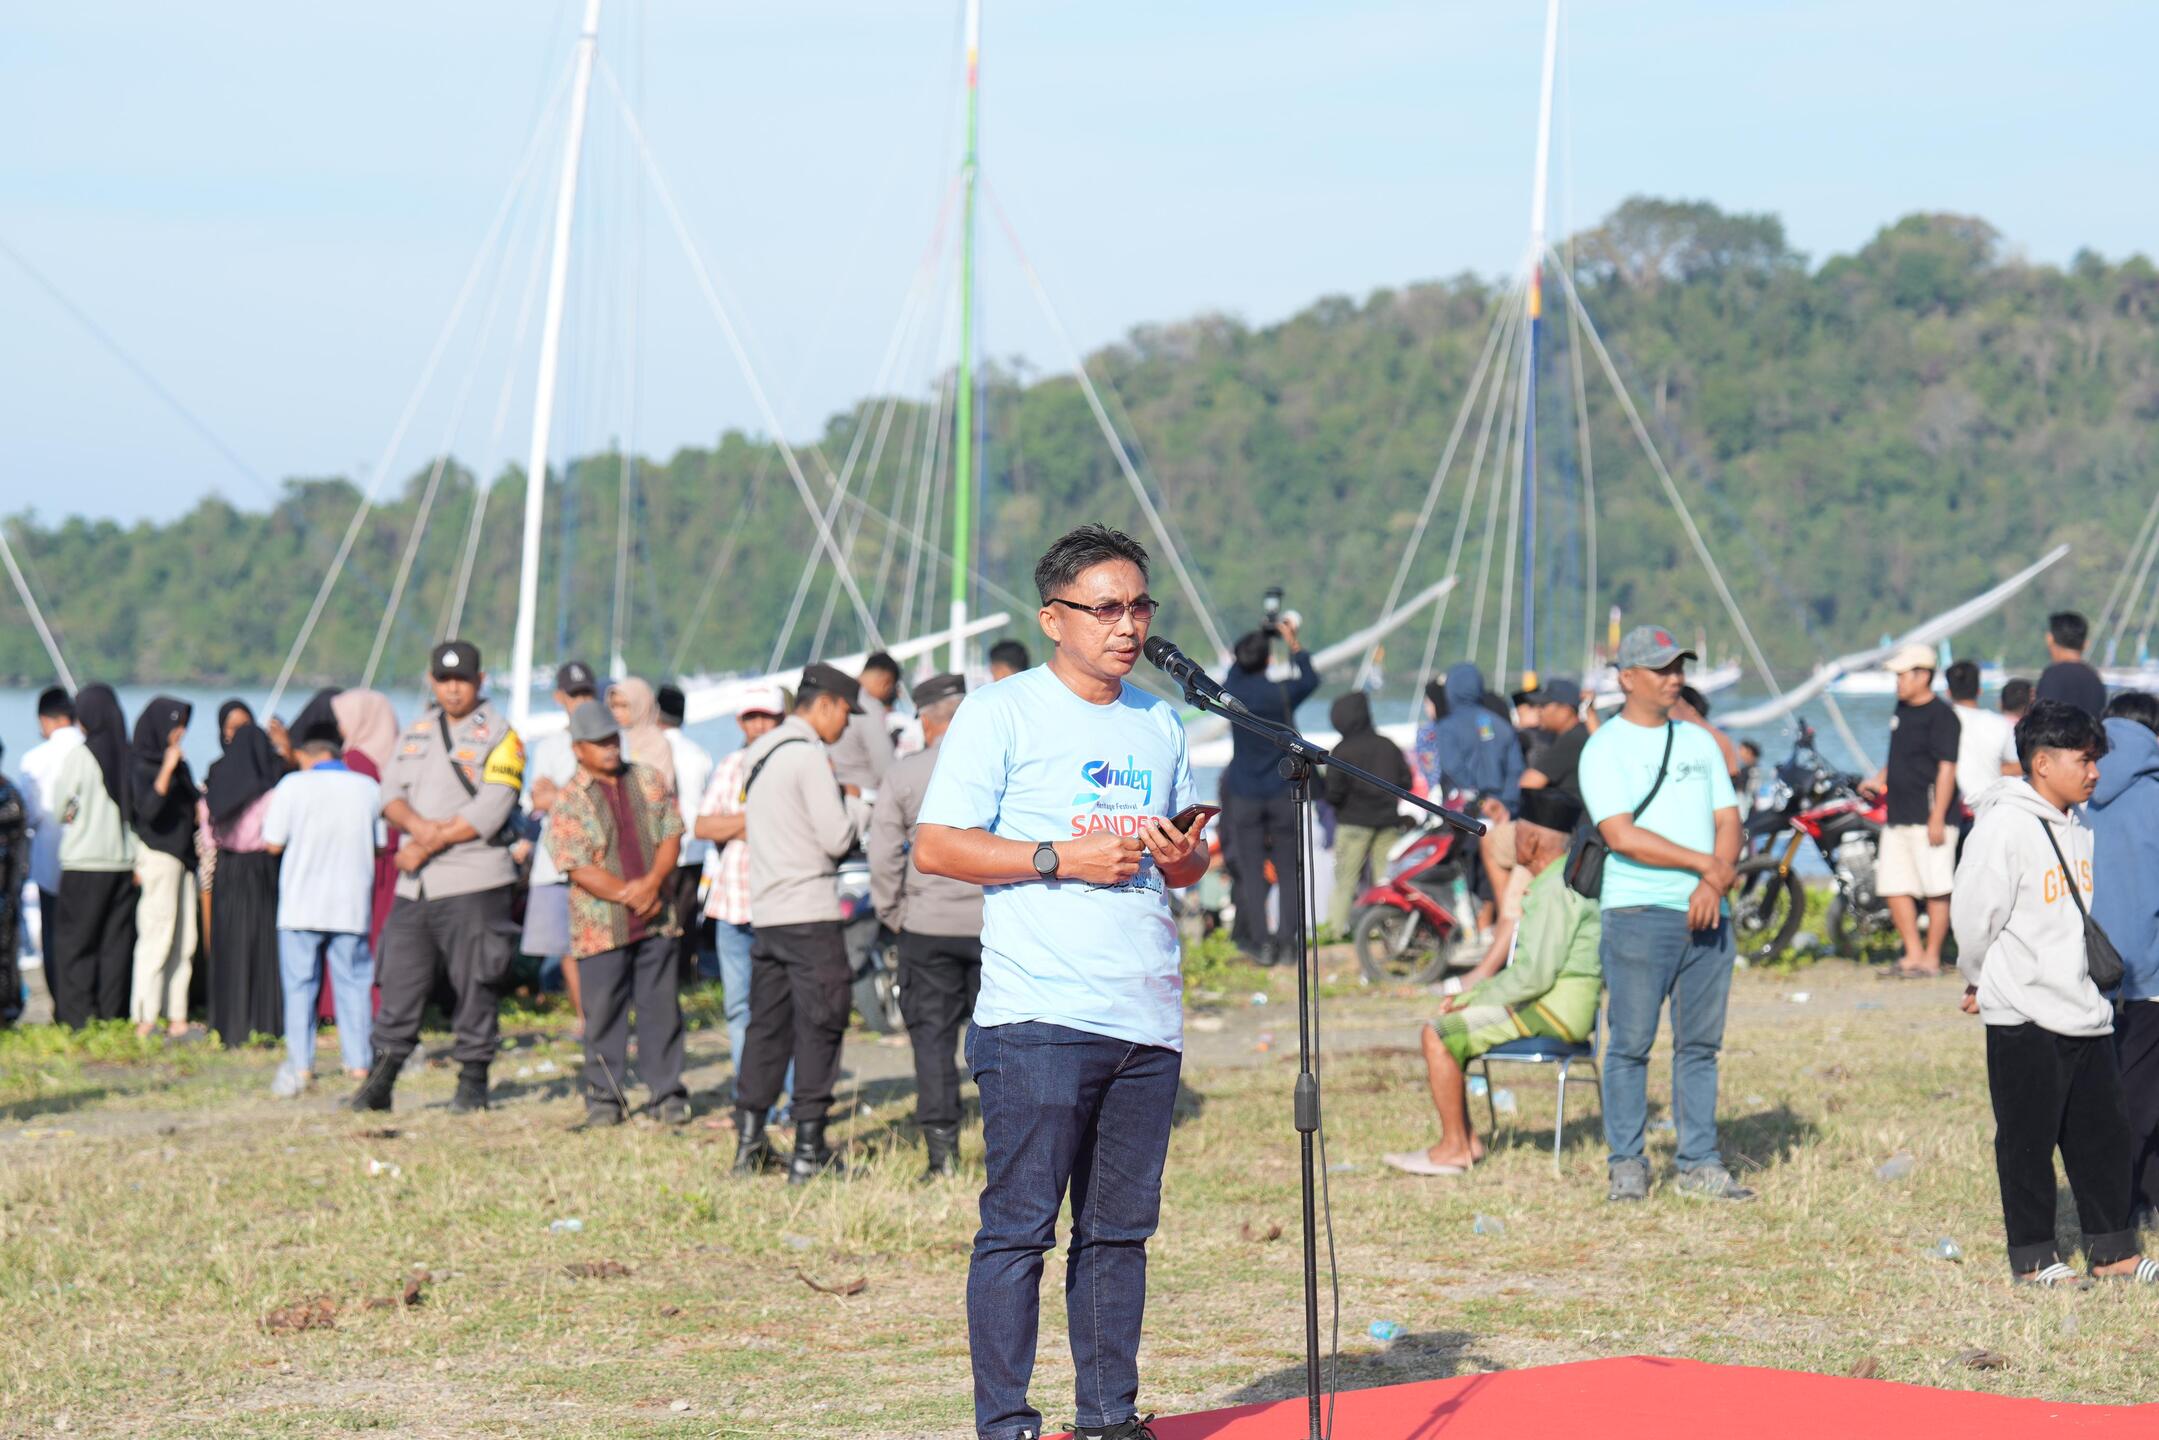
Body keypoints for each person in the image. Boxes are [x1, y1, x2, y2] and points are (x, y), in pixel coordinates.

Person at [913, 523, 1210, 1440]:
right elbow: (937, 845)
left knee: (1119, 1236)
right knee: (1018, 1232)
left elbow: (1186, 872)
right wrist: (1059, 857)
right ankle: (1006, 1423)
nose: (1127, 626)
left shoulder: (1160, 720)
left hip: (1145, 1012)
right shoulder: (1001, 711)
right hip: (1038, 1015)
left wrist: (1186, 855)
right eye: (1106, 608)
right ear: (1054, 618)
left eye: (1139, 607)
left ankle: (1109, 1417)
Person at [1954, 700, 2158, 1286]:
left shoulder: (2077, 823)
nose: (2095, 771)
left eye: (2097, 759)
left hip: (2085, 1007)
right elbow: (1974, 919)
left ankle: (2114, 1250)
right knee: (2026, 1141)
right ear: (2042, 763)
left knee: (2104, 1138)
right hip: (2023, 1011)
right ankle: (2035, 1256)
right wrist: (1979, 975)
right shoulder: (2003, 826)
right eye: (2084, 760)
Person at [1579, 625, 1748, 1203]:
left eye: (1679, 667)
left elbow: (1730, 818)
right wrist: (1709, 867)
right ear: (1627, 678)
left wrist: (1713, 880)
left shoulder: (1699, 742)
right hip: (1638, 912)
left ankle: (1699, 1160)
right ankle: (1627, 1162)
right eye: (1661, 669)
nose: (1674, 677)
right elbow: (1622, 836)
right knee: (1630, 1044)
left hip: (1708, 912)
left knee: (1700, 1045)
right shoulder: (1604, 748)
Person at [1383, 789, 1600, 1175]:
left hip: (1552, 1011)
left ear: (1532, 842)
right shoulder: (1559, 878)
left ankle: (1455, 1148)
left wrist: (1472, 998)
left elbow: (1534, 976)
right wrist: (1479, 996)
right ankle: (1464, 1141)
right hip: (1553, 1004)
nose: (1509, 840)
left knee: (1437, 1033)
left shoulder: (1553, 889)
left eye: (1516, 832)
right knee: (1447, 1030)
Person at [350, 640, 524, 1115]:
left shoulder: (502, 735)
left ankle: (472, 1083)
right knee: (398, 980)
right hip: (417, 884)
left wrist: (425, 842)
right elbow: (389, 793)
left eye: (462, 680)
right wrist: (419, 829)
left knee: (476, 984)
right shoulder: (418, 730)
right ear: (431, 681)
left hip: (474, 879)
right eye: (444, 679)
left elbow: (490, 811)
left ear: (480, 681)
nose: (452, 688)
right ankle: (379, 1083)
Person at [729, 662, 874, 1181]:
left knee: (766, 1028)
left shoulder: (759, 752)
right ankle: (809, 1152)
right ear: (828, 704)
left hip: (767, 913)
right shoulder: (810, 757)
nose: (846, 726)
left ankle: (749, 1143)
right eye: (846, 715)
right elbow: (836, 838)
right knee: (821, 1026)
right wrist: (859, 807)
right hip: (810, 913)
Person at [546, 699, 689, 1128]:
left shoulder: (647, 779)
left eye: (613, 739)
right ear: (578, 749)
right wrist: (630, 893)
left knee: (660, 1008)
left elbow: (671, 834)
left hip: (656, 916)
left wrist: (652, 883)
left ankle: (667, 1092)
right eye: (599, 742)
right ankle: (605, 1098)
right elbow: (576, 865)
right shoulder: (570, 799)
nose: (610, 748)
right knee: (604, 1013)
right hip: (601, 925)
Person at [869, 672, 984, 1179]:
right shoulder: (996, 768)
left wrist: (893, 913)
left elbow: (882, 857)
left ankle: (942, 1155)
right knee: (1007, 1040)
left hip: (927, 924)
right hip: (994, 924)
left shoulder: (905, 774)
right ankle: (1010, 1146)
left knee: (932, 1041)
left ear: (924, 719)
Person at [261, 733, 380, 1097]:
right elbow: (379, 841)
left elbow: (272, 842)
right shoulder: (368, 787)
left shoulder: (293, 785)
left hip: (301, 903)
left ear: (302, 754)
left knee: (299, 986)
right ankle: (359, 1062)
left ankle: (301, 1065)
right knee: (354, 984)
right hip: (350, 902)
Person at [2089, 692, 2159, 1220]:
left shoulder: (2072, 794)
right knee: (2142, 1094)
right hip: (2148, 971)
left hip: (2083, 967)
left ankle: (2138, 1198)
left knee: (2108, 1089)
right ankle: (2120, 1207)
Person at [696, 687, 786, 1089]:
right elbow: (701, 825)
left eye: (765, 716)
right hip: (730, 902)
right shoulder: (731, 764)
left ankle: (786, 1097)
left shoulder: (794, 761)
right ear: (740, 722)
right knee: (738, 1007)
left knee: (782, 1006)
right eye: (751, 717)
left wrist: (733, 822)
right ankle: (749, 1091)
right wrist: (754, 821)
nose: (758, 725)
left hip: (778, 903)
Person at [1219, 617, 1319, 965]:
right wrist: (1292, 642)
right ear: (1267, 660)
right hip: (1280, 790)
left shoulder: (1232, 692)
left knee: (1251, 869)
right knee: (1289, 868)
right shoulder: (1280, 694)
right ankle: (1288, 943)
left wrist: (1260, 635)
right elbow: (1310, 679)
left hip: (1244, 792)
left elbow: (1238, 663)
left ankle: (1261, 944)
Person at [1860, 643, 1962, 978]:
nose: (1898, 683)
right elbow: (1899, 758)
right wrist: (1879, 779)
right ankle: (1913, 953)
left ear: (1923, 675)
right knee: (1894, 884)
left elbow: (1947, 767)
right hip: (1898, 813)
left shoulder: (1943, 715)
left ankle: (1932, 956)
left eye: (1903, 676)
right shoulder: (1901, 710)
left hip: (1932, 815)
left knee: (1935, 887)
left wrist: (1938, 816)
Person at [47, 685, 136, 1025]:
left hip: (84, 861)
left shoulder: (81, 756)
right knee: (115, 944)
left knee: (75, 944)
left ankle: (77, 1017)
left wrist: (73, 814)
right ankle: (111, 1013)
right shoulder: (127, 754)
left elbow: (60, 808)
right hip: (123, 862)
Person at [201, 704, 287, 1050]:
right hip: (261, 869)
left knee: (229, 944)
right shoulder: (270, 790)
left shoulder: (217, 784)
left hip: (228, 868)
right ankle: (264, 1021)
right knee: (263, 944)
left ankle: (228, 1024)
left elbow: (207, 838)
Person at [523, 661, 599, 1031]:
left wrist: (560, 796)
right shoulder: (551, 745)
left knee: (598, 945)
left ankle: (602, 1019)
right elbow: (537, 799)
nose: (581, 702)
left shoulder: (609, 740)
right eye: (574, 695)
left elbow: (601, 802)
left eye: (586, 694)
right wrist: (570, 796)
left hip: (597, 861)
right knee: (569, 946)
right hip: (557, 861)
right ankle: (586, 1018)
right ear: (559, 698)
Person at [126, 697, 201, 1041]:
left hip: (184, 857)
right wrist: (167, 768)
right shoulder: (141, 763)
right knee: (157, 935)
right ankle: (145, 1016)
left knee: (185, 940)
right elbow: (148, 811)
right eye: (176, 724)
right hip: (158, 854)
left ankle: (177, 1015)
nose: (181, 732)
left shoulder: (180, 764)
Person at [1322, 690, 1413, 935]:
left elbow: (1333, 793)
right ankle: (1390, 928)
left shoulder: (1342, 751)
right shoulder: (1388, 746)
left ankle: (1335, 931)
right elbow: (1406, 782)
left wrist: (1343, 805)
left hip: (1352, 823)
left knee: (1345, 881)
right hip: (1387, 822)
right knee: (1386, 880)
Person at [655, 682, 714, 990]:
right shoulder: (700, 754)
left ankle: (661, 979)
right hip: (693, 846)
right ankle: (684, 978)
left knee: (661, 917)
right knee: (686, 917)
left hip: (659, 849)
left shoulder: (647, 748)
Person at [20, 687, 82, 967]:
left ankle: (62, 999)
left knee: (54, 936)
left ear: (45, 719)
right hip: (89, 861)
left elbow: (29, 814)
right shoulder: (90, 748)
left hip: (49, 860)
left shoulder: (34, 759)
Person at [1431, 663, 1524, 810]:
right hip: (1502, 810)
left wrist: (1478, 798)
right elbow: (1515, 770)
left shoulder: (1447, 727)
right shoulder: (1502, 725)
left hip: (1468, 811)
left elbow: (1452, 766)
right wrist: (1506, 803)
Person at [1946, 658, 2020, 817]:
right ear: (1979, 690)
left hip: (1951, 812)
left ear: (1948, 692)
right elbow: (2017, 766)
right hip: (1990, 810)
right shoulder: (1999, 724)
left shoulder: (1940, 723)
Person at [828, 650, 900, 795]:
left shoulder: (834, 697)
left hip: (832, 791)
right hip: (863, 797)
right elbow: (885, 767)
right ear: (885, 682)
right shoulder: (870, 707)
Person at [1518, 677, 1590, 805]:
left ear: (1566, 709)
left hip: (1573, 822)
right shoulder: (1578, 733)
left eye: (1544, 705)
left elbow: (1528, 784)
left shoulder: (1572, 740)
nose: (1539, 711)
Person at [0, 745, 29, 1025]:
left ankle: (6, 1010)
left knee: (6, 953)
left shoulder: (10, 797)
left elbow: (20, 850)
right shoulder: (13, 795)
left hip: (6, 894)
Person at [2035, 610, 2108, 719]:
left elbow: (2043, 719)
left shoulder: (2053, 675)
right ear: (2085, 643)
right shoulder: (2094, 678)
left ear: (2049, 638)